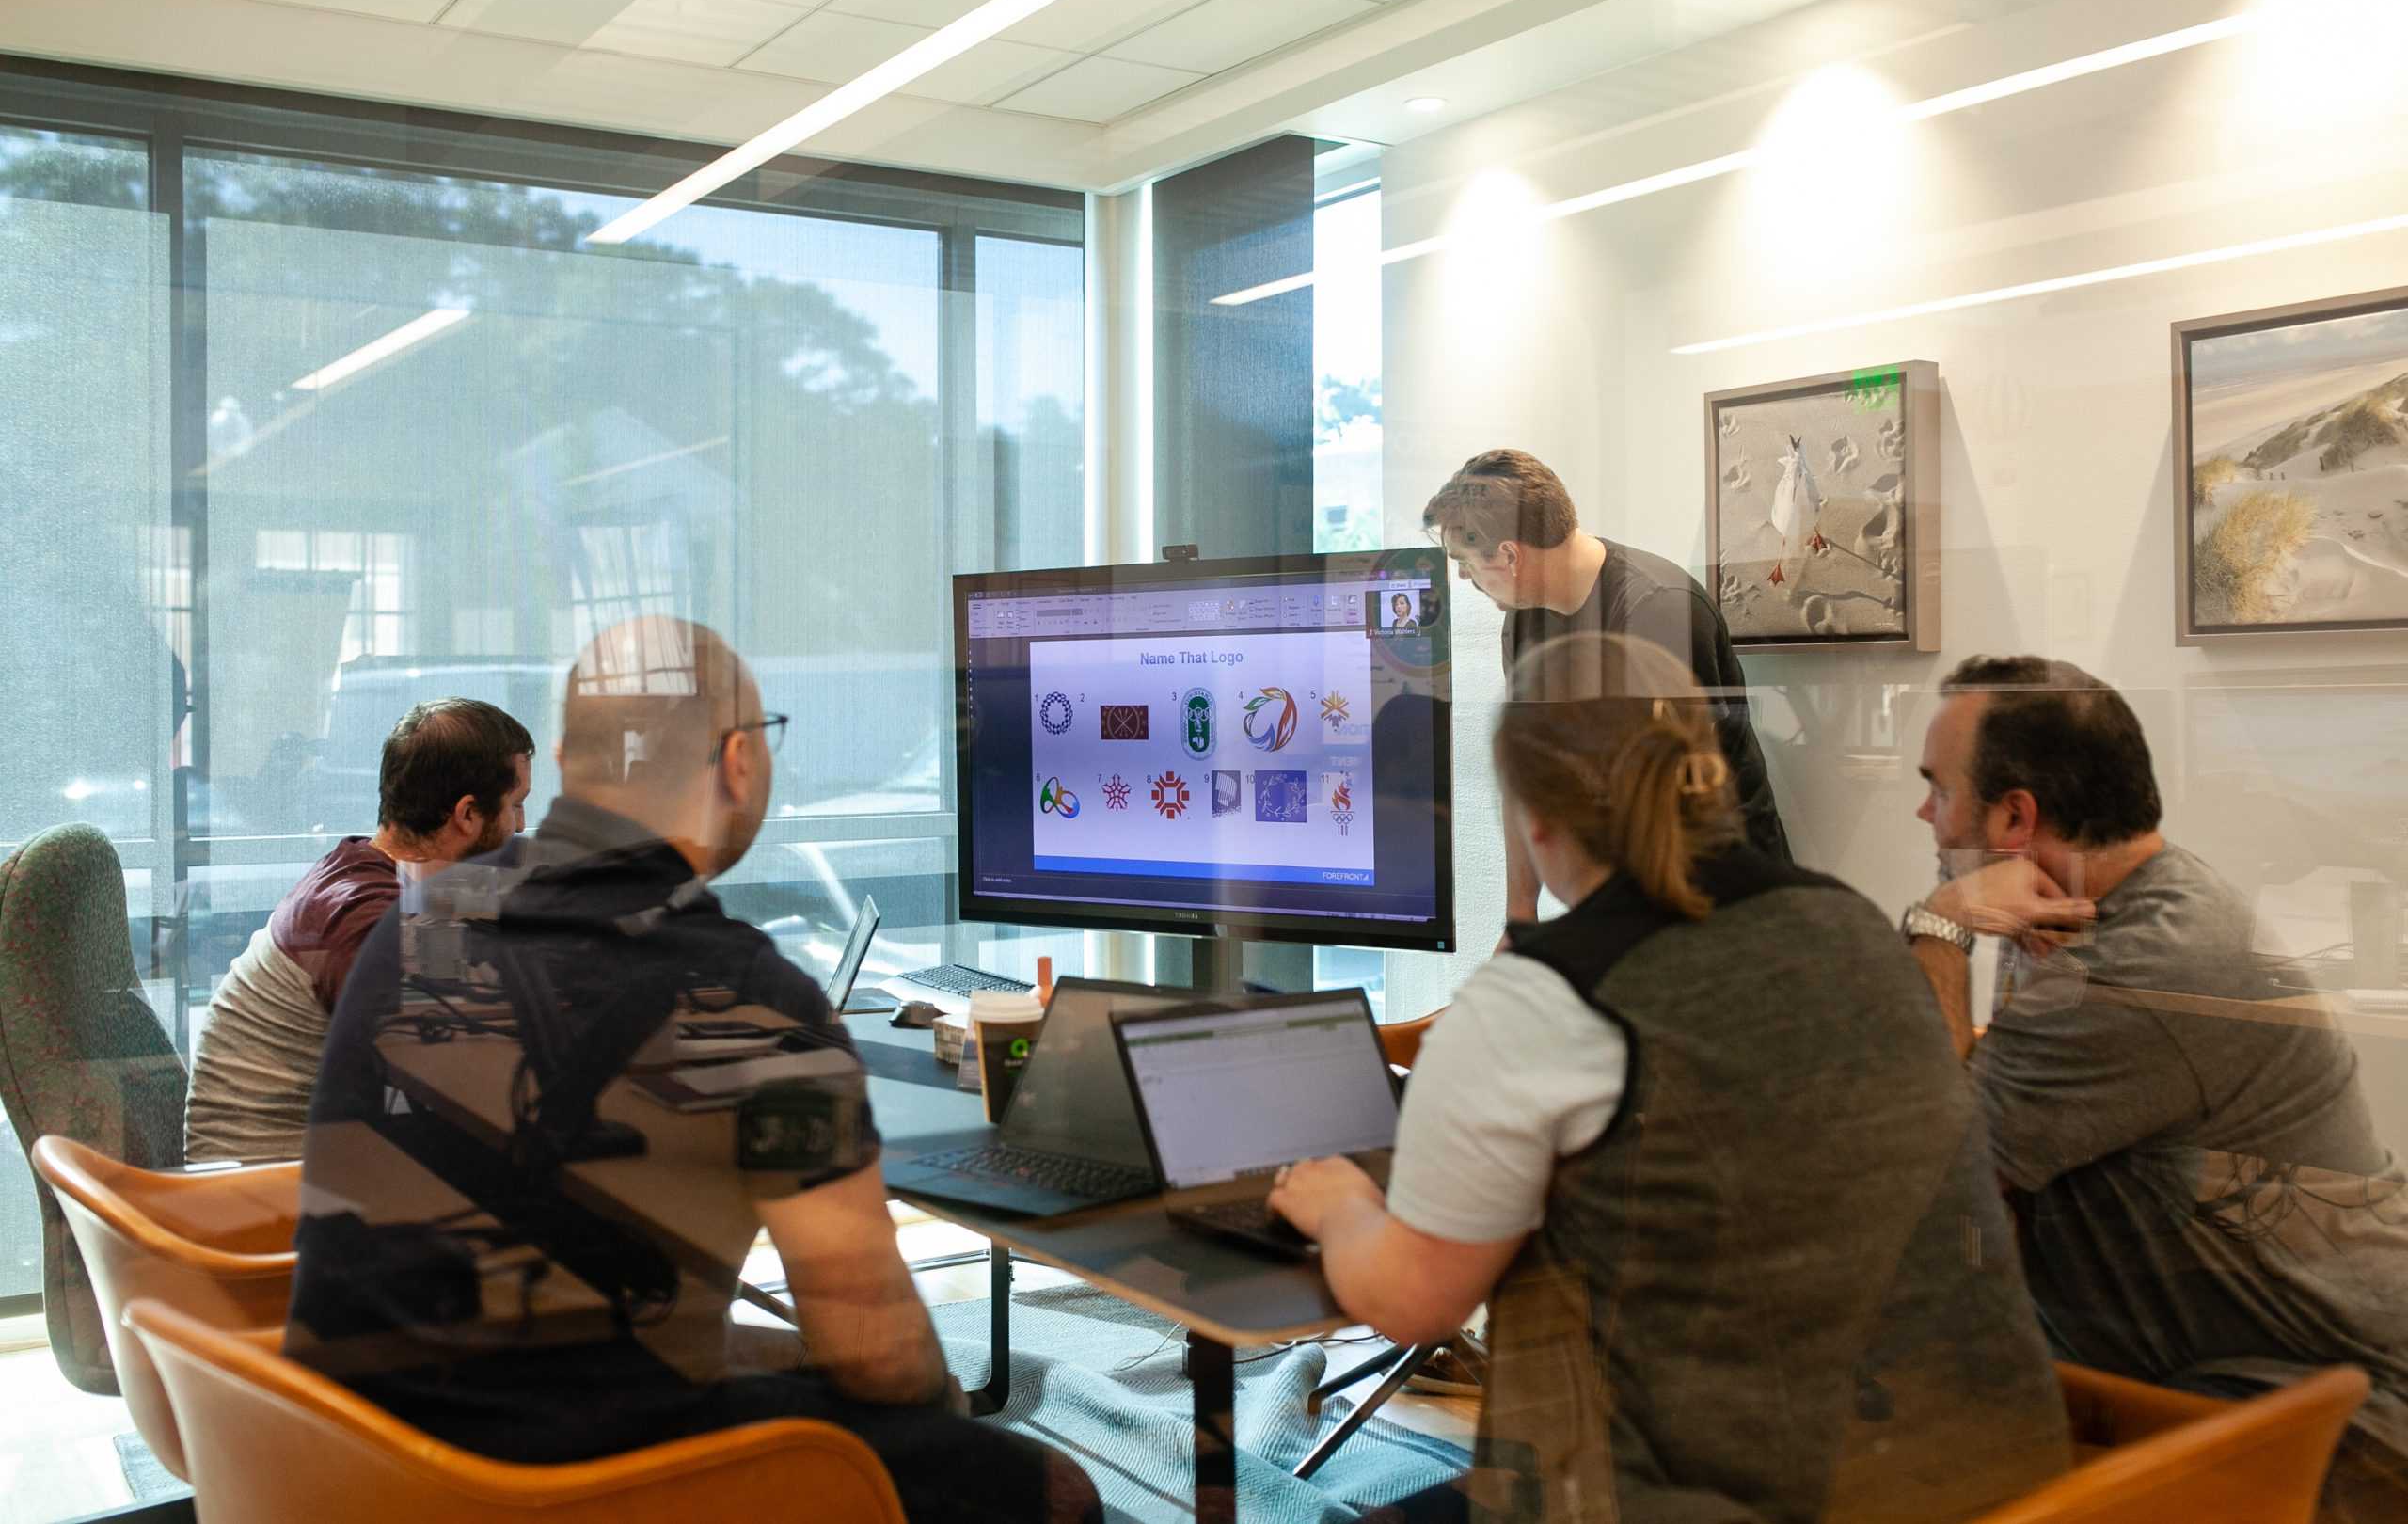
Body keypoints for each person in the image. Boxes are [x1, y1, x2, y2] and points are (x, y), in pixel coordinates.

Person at [284, 618, 1099, 1524]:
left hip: (355, 1460)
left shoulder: (418, 920)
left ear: (562, 762)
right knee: (1053, 1489)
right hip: (567, 1488)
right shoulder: (756, 996)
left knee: (778, 1357)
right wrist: (946, 1422)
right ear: (740, 762)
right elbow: (879, 1358)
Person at [1270, 632, 2067, 1524]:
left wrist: (1337, 1203)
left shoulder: (1541, 999)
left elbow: (1415, 1302)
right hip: (1988, 1477)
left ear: (1532, 817)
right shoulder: (1851, 927)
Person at [1903, 656, 2408, 1522]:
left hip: (2315, 1433)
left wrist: (1940, 921)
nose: (1925, 813)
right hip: (2201, 1393)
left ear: (2015, 815)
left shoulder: (2139, 962)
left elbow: (1924, 1165)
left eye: (1938, 789)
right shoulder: (2093, 919)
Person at [1422, 449, 1791, 954]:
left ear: (1509, 555)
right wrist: (1519, 920)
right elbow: (1526, 779)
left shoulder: (1657, 609)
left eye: (1466, 563)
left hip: (1718, 895)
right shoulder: (1524, 622)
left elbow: (1663, 802)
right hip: (1623, 892)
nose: (1465, 579)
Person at [183, 697, 532, 1164]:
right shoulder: (363, 916)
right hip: (268, 1195)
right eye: (516, 805)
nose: (522, 825)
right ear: (467, 814)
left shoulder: (371, 879)